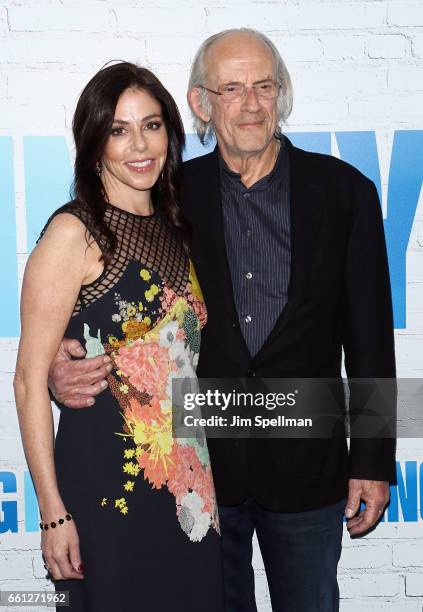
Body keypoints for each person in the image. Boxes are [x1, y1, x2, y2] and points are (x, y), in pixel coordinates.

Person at [48, 30, 396, 612]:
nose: (251, 103)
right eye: (231, 88)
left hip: (309, 468)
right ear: (201, 103)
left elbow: (369, 340)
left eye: (264, 85)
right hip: (200, 475)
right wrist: (65, 353)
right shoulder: (167, 196)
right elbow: (115, 291)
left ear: (282, 94)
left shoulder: (345, 193)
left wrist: (372, 460)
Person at [13, 61, 224, 612]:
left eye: (152, 125)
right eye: (119, 129)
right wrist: (53, 512)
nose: (140, 145)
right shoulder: (74, 232)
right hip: (108, 487)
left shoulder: (177, 227)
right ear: (94, 142)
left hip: (190, 487)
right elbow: (29, 381)